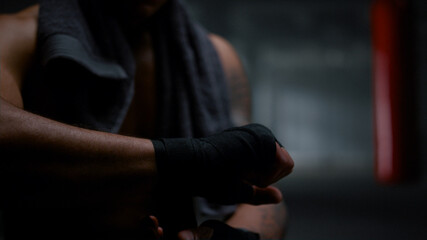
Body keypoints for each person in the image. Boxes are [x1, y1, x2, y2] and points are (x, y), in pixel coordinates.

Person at [0, 0, 294, 239]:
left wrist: (241, 234)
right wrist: (184, 160)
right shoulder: (17, 36)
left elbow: (264, 195)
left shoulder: (218, 58)